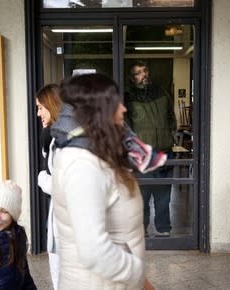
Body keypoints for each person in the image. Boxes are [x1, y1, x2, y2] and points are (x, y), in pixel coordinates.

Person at [50, 73, 150, 290]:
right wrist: (137, 273)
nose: (124, 109)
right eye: (116, 104)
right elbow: (93, 251)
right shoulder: (83, 166)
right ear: (99, 111)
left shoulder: (98, 152)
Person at [124, 60, 177, 237]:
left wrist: (171, 136)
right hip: (142, 156)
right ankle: (142, 231)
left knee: (163, 196)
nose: (143, 75)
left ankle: (163, 229)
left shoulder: (162, 93)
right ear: (132, 78)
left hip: (163, 152)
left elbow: (171, 118)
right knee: (142, 197)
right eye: (138, 73)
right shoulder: (128, 97)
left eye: (145, 71)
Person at [35, 84, 62, 290]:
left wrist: (42, 179)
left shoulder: (63, 141)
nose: (38, 113)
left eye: (40, 108)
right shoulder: (52, 136)